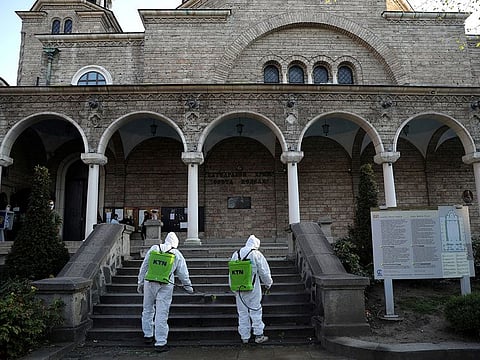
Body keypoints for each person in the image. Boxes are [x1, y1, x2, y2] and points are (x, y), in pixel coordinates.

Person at [137, 232, 194, 352]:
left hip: (149, 281)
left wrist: (140, 282)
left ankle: (148, 335)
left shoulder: (154, 248)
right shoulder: (176, 253)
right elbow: (183, 274)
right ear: (176, 243)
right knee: (162, 313)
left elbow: (144, 266)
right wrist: (189, 288)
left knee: (147, 309)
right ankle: (161, 342)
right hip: (166, 284)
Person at [230, 234, 273, 344]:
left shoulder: (236, 254)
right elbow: (264, 271)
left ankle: (244, 337)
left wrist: (233, 288)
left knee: (242, 312)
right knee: (255, 310)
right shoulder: (256, 254)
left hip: (238, 288)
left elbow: (231, 272)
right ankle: (259, 335)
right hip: (253, 288)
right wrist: (268, 283)